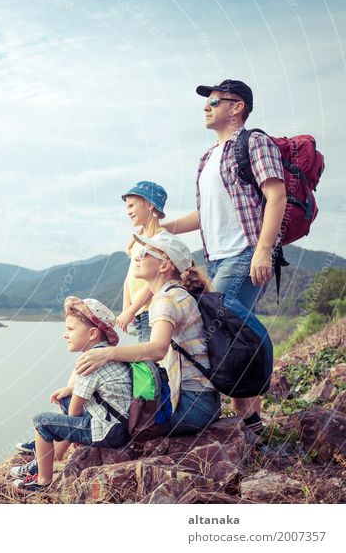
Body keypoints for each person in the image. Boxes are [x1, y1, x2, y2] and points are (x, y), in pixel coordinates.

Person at [161, 79, 286, 434]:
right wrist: (161, 228)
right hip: (215, 258)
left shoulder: (254, 143)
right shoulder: (207, 159)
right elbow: (203, 215)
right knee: (230, 333)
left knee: (219, 328)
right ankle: (251, 422)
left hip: (245, 252)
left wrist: (263, 250)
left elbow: (275, 195)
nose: (207, 106)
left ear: (237, 107)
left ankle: (243, 413)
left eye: (215, 100)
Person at [75, 231, 221, 437]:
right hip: (204, 402)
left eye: (145, 253)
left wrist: (106, 353)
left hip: (193, 406)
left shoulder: (166, 299)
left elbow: (157, 350)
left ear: (164, 266)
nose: (138, 256)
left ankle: (53, 444)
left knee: (113, 419)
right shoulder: (178, 292)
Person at [12, 297, 131, 492]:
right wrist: (70, 391)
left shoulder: (90, 361)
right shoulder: (107, 353)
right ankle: (49, 456)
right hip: (120, 423)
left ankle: (42, 481)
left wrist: (56, 429)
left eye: (70, 329)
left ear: (92, 333)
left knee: (42, 422)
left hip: (110, 430)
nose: (65, 335)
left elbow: (75, 411)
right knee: (66, 398)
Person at [117, 181, 168, 342]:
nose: (128, 211)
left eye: (131, 206)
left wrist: (131, 310)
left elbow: (154, 283)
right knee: (146, 360)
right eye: (127, 207)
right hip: (138, 311)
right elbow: (129, 278)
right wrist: (127, 308)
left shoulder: (160, 240)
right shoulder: (137, 241)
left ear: (150, 205)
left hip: (151, 309)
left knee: (150, 360)